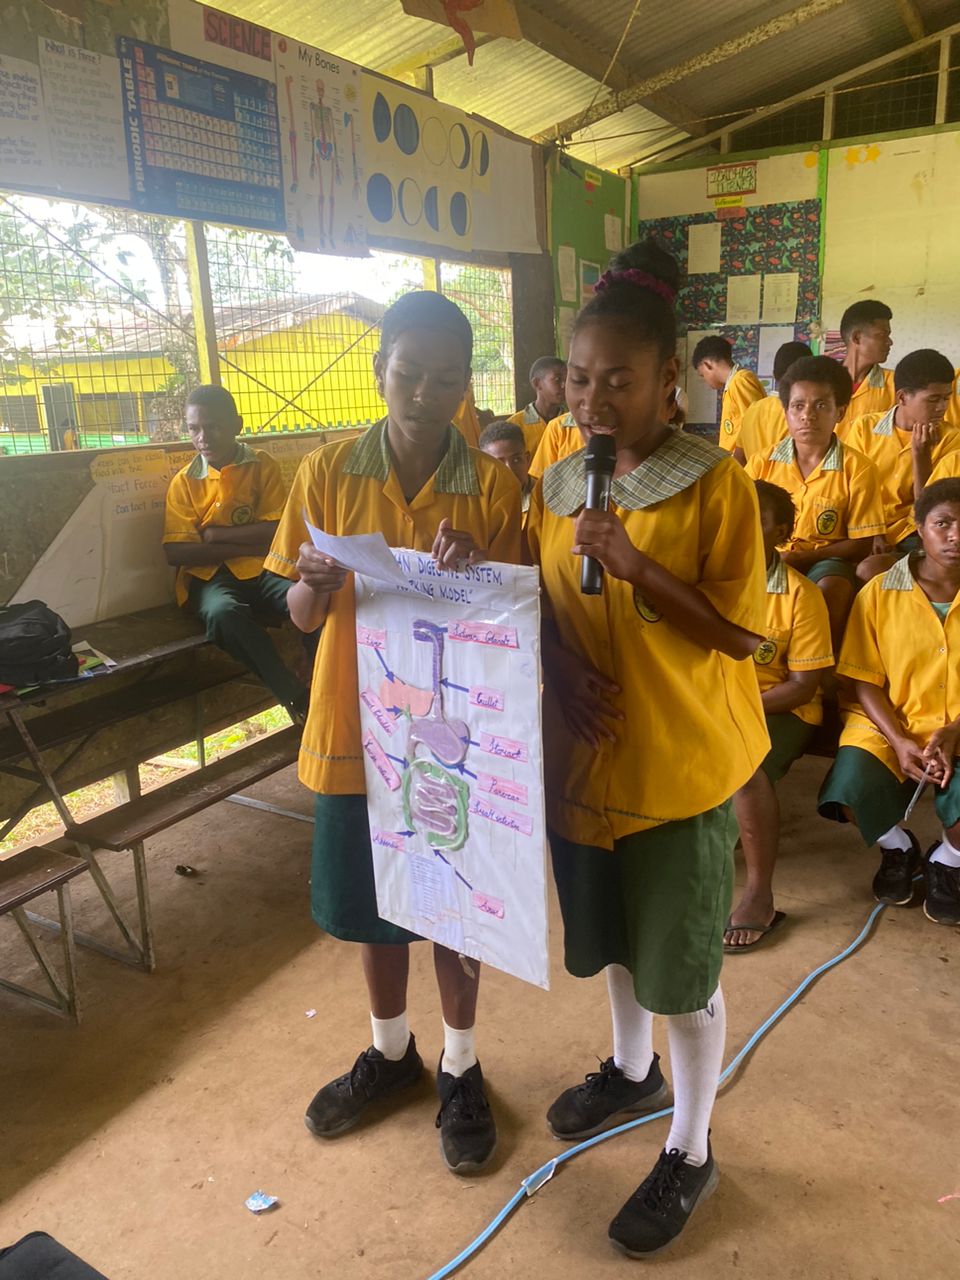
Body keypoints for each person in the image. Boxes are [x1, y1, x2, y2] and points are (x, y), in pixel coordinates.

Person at [526, 239, 769, 1257]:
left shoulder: (716, 485)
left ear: (669, 378)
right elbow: (535, 598)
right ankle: (632, 1071)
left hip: (677, 765)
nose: (594, 400)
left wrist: (637, 568)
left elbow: (741, 635)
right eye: (581, 379)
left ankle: (690, 1144)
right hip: (585, 763)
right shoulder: (553, 475)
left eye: (619, 380)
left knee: (682, 963)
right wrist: (561, 663)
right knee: (618, 939)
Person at [263, 291, 522, 1175]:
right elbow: (300, 616)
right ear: (379, 371)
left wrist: (478, 572)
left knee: (452, 903)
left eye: (445, 378)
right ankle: (391, 1050)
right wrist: (314, 582)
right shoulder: (327, 470)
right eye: (408, 373)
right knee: (376, 908)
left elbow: (511, 620)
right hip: (355, 726)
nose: (423, 394)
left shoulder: (492, 486)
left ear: (465, 385)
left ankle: (462, 1064)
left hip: (450, 735)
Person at [818, 478, 960, 926]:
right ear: (919, 529)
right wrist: (898, 741)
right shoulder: (880, 592)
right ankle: (899, 848)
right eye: (943, 523)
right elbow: (864, 679)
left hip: (957, 724)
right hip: (888, 720)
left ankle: (947, 859)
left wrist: (955, 730)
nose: (956, 536)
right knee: (849, 794)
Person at [725, 481, 833, 952]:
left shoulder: (800, 595)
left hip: (780, 707)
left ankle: (759, 895)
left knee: (746, 766)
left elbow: (802, 687)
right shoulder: (706, 580)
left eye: (758, 519)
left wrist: (735, 706)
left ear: (782, 533)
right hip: (717, 702)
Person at [162, 385, 307, 720]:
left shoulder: (262, 465)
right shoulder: (184, 482)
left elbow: (276, 531)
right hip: (210, 578)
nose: (203, 438)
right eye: (194, 428)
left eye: (213, 426)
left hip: (263, 569)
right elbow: (176, 552)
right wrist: (246, 541)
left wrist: (215, 536)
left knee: (310, 597)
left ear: (237, 425)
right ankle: (296, 695)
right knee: (223, 614)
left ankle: (318, 670)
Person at [745, 355, 885, 651]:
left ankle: (820, 666)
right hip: (766, 555)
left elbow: (861, 544)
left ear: (840, 412)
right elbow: (739, 523)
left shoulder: (858, 468)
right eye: (798, 406)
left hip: (825, 561)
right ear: (786, 412)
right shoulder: (761, 463)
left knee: (832, 587)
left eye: (821, 405)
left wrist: (802, 558)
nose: (807, 415)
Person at [843, 349, 958, 581]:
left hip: (913, 535)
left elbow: (931, 510)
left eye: (946, 398)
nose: (942, 407)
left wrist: (921, 455)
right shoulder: (865, 429)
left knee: (870, 569)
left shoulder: (951, 439)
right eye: (933, 399)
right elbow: (851, 491)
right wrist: (873, 532)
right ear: (903, 397)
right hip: (862, 531)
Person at [734, 341, 812, 465]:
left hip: (753, 477)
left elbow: (739, 458)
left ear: (774, 374)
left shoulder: (752, 410)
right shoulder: (805, 414)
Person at [690, 334, 765, 453]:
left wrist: (738, 461)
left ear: (707, 365)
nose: (705, 380)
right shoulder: (732, 386)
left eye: (702, 375)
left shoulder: (741, 381)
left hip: (745, 462)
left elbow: (753, 429)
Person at [837, 300, 894, 431]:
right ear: (857, 338)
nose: (889, 342)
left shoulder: (896, 385)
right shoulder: (821, 381)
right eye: (882, 335)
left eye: (888, 335)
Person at [478, 419, 534, 526]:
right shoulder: (478, 504)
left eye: (516, 460)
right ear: (484, 467)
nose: (510, 469)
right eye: (499, 463)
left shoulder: (543, 498)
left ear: (527, 459)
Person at [507, 356, 566, 456]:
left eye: (567, 380)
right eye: (557, 379)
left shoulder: (572, 422)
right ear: (537, 383)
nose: (564, 385)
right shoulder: (514, 426)